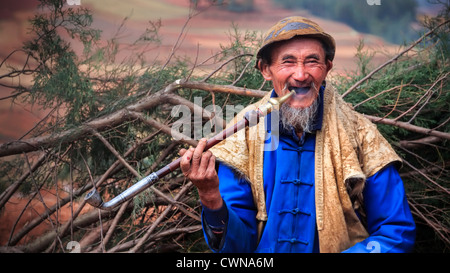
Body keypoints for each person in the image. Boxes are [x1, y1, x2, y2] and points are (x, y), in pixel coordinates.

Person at [179, 16, 416, 253]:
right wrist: (210, 196)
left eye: (312, 61)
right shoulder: (243, 136)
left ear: (327, 68)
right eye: (288, 62)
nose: (301, 75)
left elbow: (395, 232)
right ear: (266, 70)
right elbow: (238, 250)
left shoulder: (362, 136)